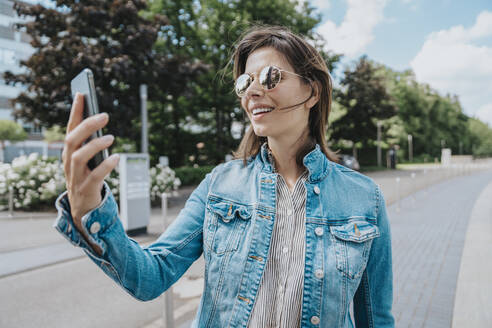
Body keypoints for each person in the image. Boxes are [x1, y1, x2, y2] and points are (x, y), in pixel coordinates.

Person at [55, 26, 394, 327]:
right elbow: (150, 275)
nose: (252, 92)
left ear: (313, 92)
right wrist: (90, 210)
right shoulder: (220, 185)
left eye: (270, 77)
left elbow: (376, 320)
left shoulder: (365, 199)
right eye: (245, 82)